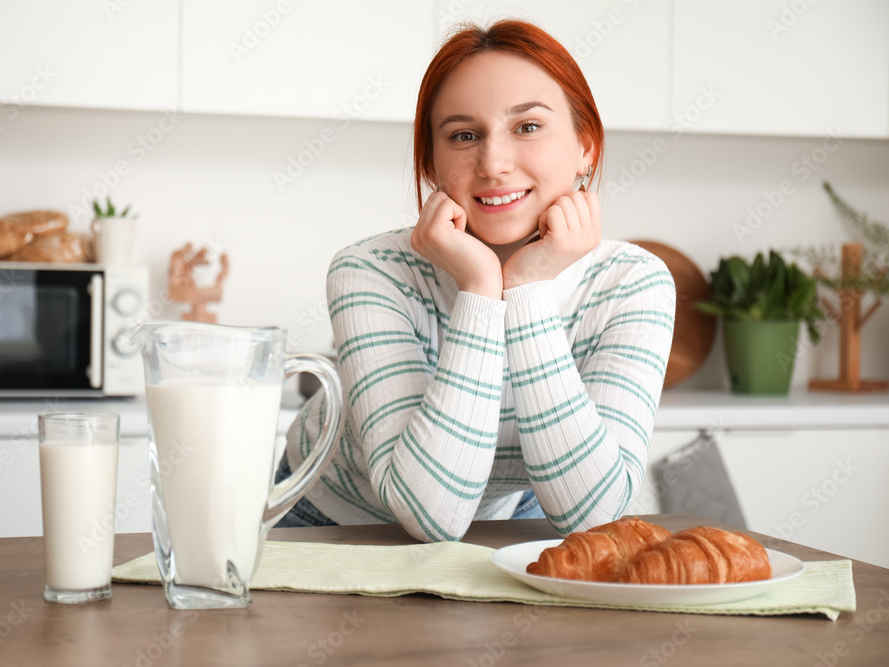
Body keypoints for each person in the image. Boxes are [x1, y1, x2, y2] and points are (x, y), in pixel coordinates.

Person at [279, 19, 676, 542]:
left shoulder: (633, 282)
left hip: (513, 511)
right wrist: (480, 288)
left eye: (528, 127)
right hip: (332, 518)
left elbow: (593, 520)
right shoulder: (371, 270)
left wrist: (528, 287)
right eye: (464, 135)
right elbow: (429, 515)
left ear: (587, 146)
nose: (493, 164)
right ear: (432, 165)